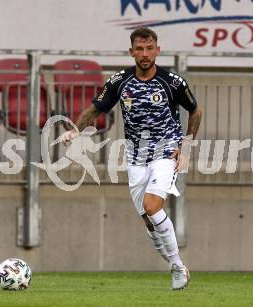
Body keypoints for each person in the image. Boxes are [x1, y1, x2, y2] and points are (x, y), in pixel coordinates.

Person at [62, 27, 202, 290]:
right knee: (148, 220)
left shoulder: (172, 82)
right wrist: (75, 130)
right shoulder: (119, 82)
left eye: (150, 49)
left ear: (158, 50)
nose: (145, 54)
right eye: (139, 49)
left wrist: (187, 144)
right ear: (132, 52)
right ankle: (175, 263)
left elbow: (196, 111)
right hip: (136, 158)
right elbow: (94, 109)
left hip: (165, 151)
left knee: (152, 206)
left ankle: (176, 265)